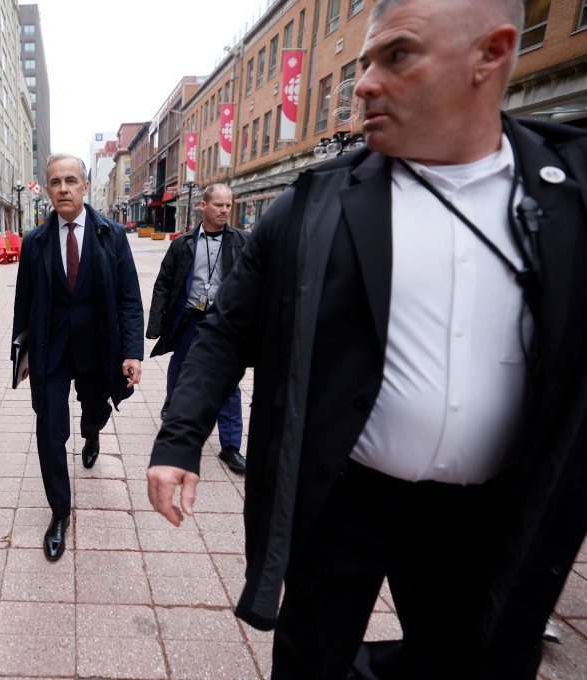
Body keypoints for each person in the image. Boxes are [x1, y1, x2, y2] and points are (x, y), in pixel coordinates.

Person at [146, 1, 587, 677]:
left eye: (398, 55)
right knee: (312, 660)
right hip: (342, 500)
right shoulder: (316, 206)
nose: (364, 84)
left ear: (491, 55)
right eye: (363, 63)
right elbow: (228, 330)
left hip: (482, 520)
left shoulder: (568, 200)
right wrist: (179, 441)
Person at [12, 152, 144, 562]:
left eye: (71, 180)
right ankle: (59, 513)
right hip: (51, 352)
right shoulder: (35, 241)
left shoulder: (111, 234)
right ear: (47, 189)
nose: (63, 188)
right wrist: (23, 353)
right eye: (56, 182)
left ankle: (92, 430)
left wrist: (132, 353)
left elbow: (128, 298)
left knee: (95, 410)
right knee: (50, 433)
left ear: (85, 187)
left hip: (97, 348)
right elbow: (24, 302)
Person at [146, 183, 247, 473]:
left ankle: (230, 447)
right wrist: (155, 325)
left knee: (229, 382)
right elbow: (164, 283)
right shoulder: (183, 243)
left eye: (228, 205)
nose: (225, 210)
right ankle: (173, 404)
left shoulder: (242, 242)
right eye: (219, 204)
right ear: (203, 206)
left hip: (225, 322)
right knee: (181, 365)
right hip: (191, 317)